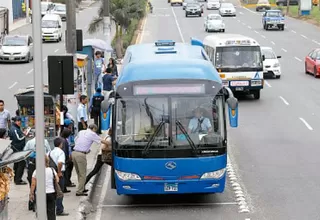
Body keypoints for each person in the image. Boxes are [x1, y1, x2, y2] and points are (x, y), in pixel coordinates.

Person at [72, 124, 109, 196]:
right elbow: (103, 141)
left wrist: (83, 147)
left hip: (74, 153)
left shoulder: (81, 132)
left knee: (79, 173)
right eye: (95, 130)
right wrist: (112, 143)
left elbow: (75, 140)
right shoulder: (92, 134)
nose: (95, 131)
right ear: (93, 128)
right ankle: (79, 191)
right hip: (81, 155)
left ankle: (81, 187)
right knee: (83, 174)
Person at [24, 134, 51, 211]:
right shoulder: (45, 141)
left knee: (32, 185)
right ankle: (39, 204)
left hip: (31, 166)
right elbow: (49, 151)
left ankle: (32, 203)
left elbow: (24, 152)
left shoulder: (29, 142)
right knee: (41, 185)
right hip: (41, 165)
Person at [30, 156, 59, 220]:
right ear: (47, 161)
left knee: (40, 212)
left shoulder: (36, 171)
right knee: (51, 212)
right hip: (51, 192)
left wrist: (31, 193)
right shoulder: (52, 170)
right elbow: (57, 180)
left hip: (40, 194)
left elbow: (33, 184)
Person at [48, 137, 69, 216]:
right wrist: (59, 172)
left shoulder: (50, 152)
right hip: (58, 173)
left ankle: (54, 208)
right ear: (60, 144)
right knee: (60, 191)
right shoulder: (61, 152)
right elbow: (60, 163)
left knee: (54, 191)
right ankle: (59, 209)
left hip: (51, 173)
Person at [9, 116, 27, 185]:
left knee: (17, 164)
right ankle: (18, 180)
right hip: (17, 149)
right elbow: (18, 139)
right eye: (19, 121)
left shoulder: (15, 128)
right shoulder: (14, 129)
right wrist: (24, 135)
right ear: (16, 121)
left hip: (16, 148)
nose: (20, 123)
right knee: (21, 163)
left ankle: (16, 179)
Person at [60, 128, 75, 192]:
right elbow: (65, 150)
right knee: (66, 173)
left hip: (67, 158)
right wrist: (67, 159)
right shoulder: (64, 141)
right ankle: (65, 186)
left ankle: (67, 183)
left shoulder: (64, 140)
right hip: (66, 159)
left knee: (67, 172)